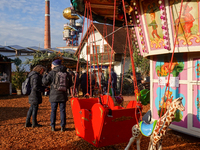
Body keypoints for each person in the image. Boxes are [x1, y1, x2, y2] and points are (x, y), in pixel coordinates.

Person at [42, 59, 72, 132]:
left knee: (53, 111)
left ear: (54, 65)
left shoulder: (51, 73)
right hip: (63, 94)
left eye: (52, 65)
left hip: (53, 94)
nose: (51, 66)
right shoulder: (66, 72)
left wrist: (44, 76)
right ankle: (63, 126)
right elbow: (70, 84)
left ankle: (53, 126)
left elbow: (45, 82)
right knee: (62, 111)